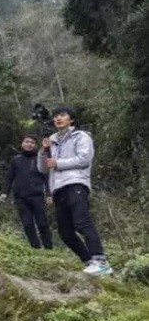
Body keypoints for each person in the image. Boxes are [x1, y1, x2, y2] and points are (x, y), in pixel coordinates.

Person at [37, 106, 112, 276]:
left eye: (62, 115)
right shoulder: (52, 141)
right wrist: (43, 151)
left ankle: (101, 261)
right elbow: (43, 168)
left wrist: (59, 162)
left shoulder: (81, 136)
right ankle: (89, 262)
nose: (58, 118)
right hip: (58, 188)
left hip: (76, 183)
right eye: (56, 116)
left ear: (71, 120)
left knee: (82, 222)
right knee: (65, 233)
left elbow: (84, 159)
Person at [0, 135, 53, 249]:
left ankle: (49, 248)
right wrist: (5, 192)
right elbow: (10, 177)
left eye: (32, 143)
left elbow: (46, 177)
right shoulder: (16, 160)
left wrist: (49, 194)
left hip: (37, 196)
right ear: (22, 143)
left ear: (35, 145)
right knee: (27, 224)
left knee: (42, 224)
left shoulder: (39, 159)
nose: (29, 144)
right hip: (21, 198)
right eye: (27, 142)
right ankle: (36, 248)